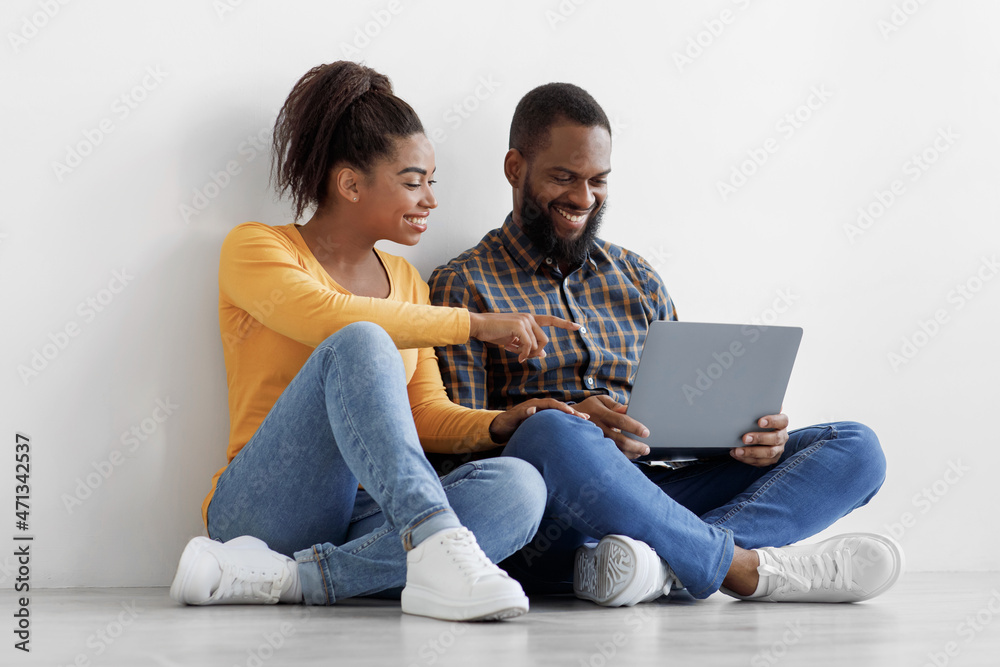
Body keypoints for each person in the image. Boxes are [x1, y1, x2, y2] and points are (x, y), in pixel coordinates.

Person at [428, 82, 904, 607]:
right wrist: (573, 421)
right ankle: (734, 566)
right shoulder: (465, 286)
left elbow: (677, 413)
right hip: (554, 516)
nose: (584, 199)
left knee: (856, 448)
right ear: (516, 168)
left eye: (598, 181)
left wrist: (742, 441)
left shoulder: (637, 277)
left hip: (657, 489)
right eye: (564, 177)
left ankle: (659, 565)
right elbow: (459, 459)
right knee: (552, 432)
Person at [169, 63, 588, 622]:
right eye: (413, 182)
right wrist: (475, 323)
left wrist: (497, 422)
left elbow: (424, 413)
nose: (430, 200)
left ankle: (299, 580)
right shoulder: (256, 248)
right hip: (267, 509)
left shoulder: (408, 280)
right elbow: (330, 318)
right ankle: (435, 546)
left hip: (365, 515)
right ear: (349, 183)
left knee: (519, 486)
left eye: (431, 182)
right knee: (362, 340)